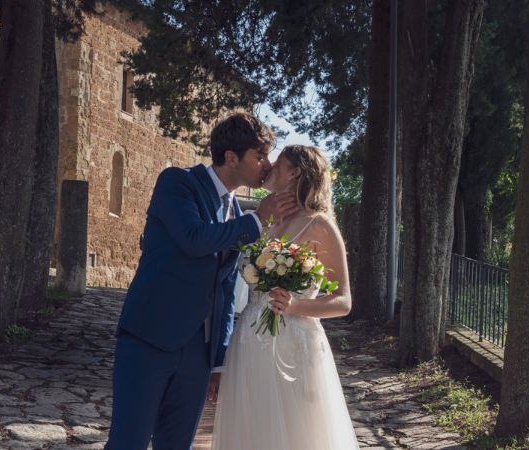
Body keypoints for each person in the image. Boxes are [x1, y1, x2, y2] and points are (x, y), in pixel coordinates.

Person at [103, 112, 299, 450]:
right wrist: (258, 220)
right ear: (231, 157)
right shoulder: (177, 182)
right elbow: (194, 239)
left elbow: (225, 289)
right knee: (127, 443)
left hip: (198, 353)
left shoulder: (235, 212)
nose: (268, 165)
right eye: (260, 156)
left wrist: (218, 360)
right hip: (149, 337)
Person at [211, 144, 360, 450]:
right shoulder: (262, 221)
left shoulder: (319, 225)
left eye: (277, 164)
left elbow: (343, 301)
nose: (269, 167)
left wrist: (296, 305)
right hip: (248, 341)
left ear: (295, 173)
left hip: (292, 346)